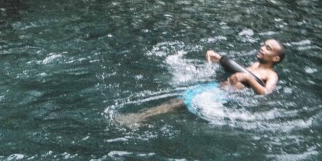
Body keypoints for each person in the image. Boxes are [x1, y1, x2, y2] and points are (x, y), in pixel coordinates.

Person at [116, 37, 285, 126]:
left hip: (223, 97)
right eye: (263, 45)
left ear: (276, 58)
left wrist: (248, 78)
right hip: (217, 88)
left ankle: (138, 118)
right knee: (178, 101)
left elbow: (265, 92)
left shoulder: (271, 75)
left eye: (268, 48)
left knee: (178, 104)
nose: (262, 48)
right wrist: (219, 58)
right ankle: (143, 118)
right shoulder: (255, 65)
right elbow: (236, 69)